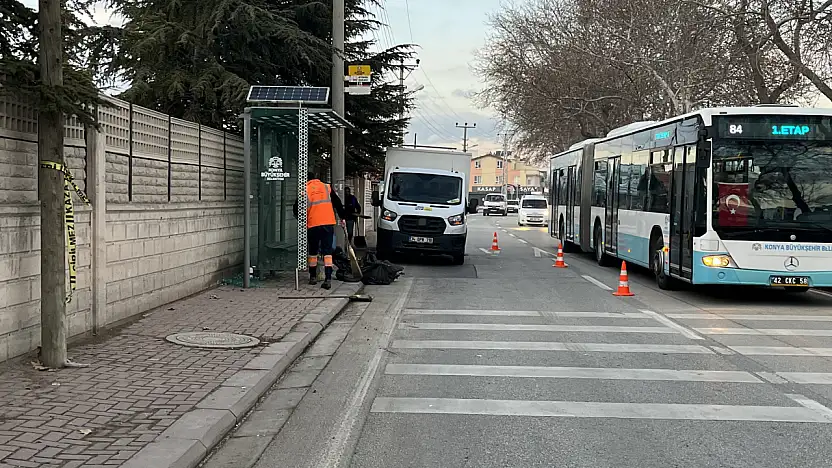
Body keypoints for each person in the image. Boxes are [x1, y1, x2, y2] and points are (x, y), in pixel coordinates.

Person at [293, 173, 346, 290]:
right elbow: (337, 202)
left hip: (313, 224)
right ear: (317, 178)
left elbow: (297, 207)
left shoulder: (305, 189)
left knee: (313, 251)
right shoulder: (326, 187)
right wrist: (342, 217)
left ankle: (312, 277)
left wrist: (301, 219)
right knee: (327, 252)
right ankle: (328, 278)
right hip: (327, 223)